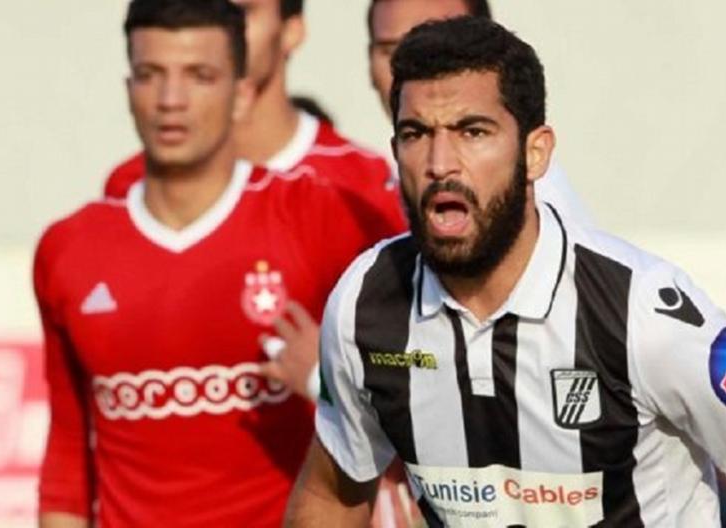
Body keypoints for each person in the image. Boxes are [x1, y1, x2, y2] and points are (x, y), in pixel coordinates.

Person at [285, 17, 726, 527]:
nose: (439, 163)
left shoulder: (641, 312)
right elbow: (332, 493)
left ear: (536, 152)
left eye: (472, 132)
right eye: (415, 133)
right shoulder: (365, 303)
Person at [34, 1, 399, 526]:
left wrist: (324, 380)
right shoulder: (70, 248)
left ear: (241, 93)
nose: (171, 100)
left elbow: (418, 387)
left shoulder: (319, 217)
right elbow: (68, 459)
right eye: (150, 75)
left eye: (199, 76)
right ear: (128, 89)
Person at [104, 0, 406, 401]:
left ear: (292, 30)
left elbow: (415, 359)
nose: (217, 18)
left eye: (242, 10)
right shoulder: (130, 186)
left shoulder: (360, 184)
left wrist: (326, 377)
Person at [366, 0, 594, 228]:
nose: (426, 62)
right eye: (391, 50)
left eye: (474, 132)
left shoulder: (543, 203)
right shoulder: (369, 184)